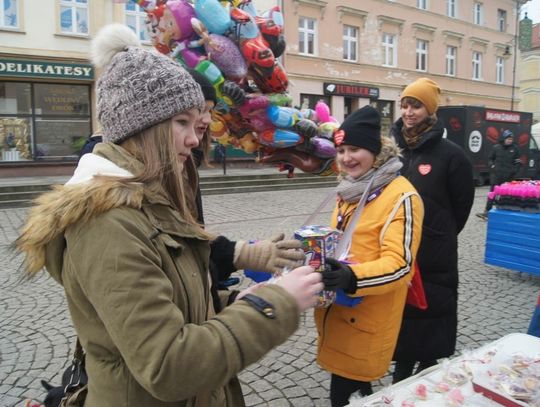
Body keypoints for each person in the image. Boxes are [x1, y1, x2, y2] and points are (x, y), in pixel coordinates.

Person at [15, 24, 324, 406]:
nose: (195, 139)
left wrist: (246, 300)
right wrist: (275, 305)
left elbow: (179, 310)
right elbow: (168, 366)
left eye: (197, 122)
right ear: (142, 127)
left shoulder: (150, 201)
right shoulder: (107, 222)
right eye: (182, 123)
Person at [315, 106, 424, 407]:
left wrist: (351, 276)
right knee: (357, 389)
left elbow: (401, 265)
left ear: (376, 151)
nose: (346, 157)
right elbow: (340, 241)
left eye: (356, 149)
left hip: (367, 316)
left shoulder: (402, 196)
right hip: (339, 310)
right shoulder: (349, 190)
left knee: (342, 393)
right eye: (341, 150)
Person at [183, 69, 305, 312]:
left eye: (210, 110)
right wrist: (261, 313)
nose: (207, 120)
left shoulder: (187, 163)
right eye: (189, 118)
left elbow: (191, 246)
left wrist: (243, 256)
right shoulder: (127, 198)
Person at [390, 78, 475, 383]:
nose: (409, 112)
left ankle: (426, 376)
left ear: (430, 110)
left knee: (431, 314)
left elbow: (462, 204)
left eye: (416, 105)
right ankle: (400, 377)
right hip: (397, 246)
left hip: (434, 253)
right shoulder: (392, 150)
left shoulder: (451, 155)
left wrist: (441, 233)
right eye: (405, 105)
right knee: (402, 317)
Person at [476, 129, 521, 220]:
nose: (510, 140)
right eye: (508, 139)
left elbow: (518, 162)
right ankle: (487, 212)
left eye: (511, 139)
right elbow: (490, 159)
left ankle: (503, 212)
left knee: (506, 196)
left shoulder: (515, 149)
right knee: (492, 194)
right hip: (496, 176)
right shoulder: (496, 147)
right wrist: (492, 166)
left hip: (508, 178)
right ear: (504, 138)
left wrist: (514, 171)